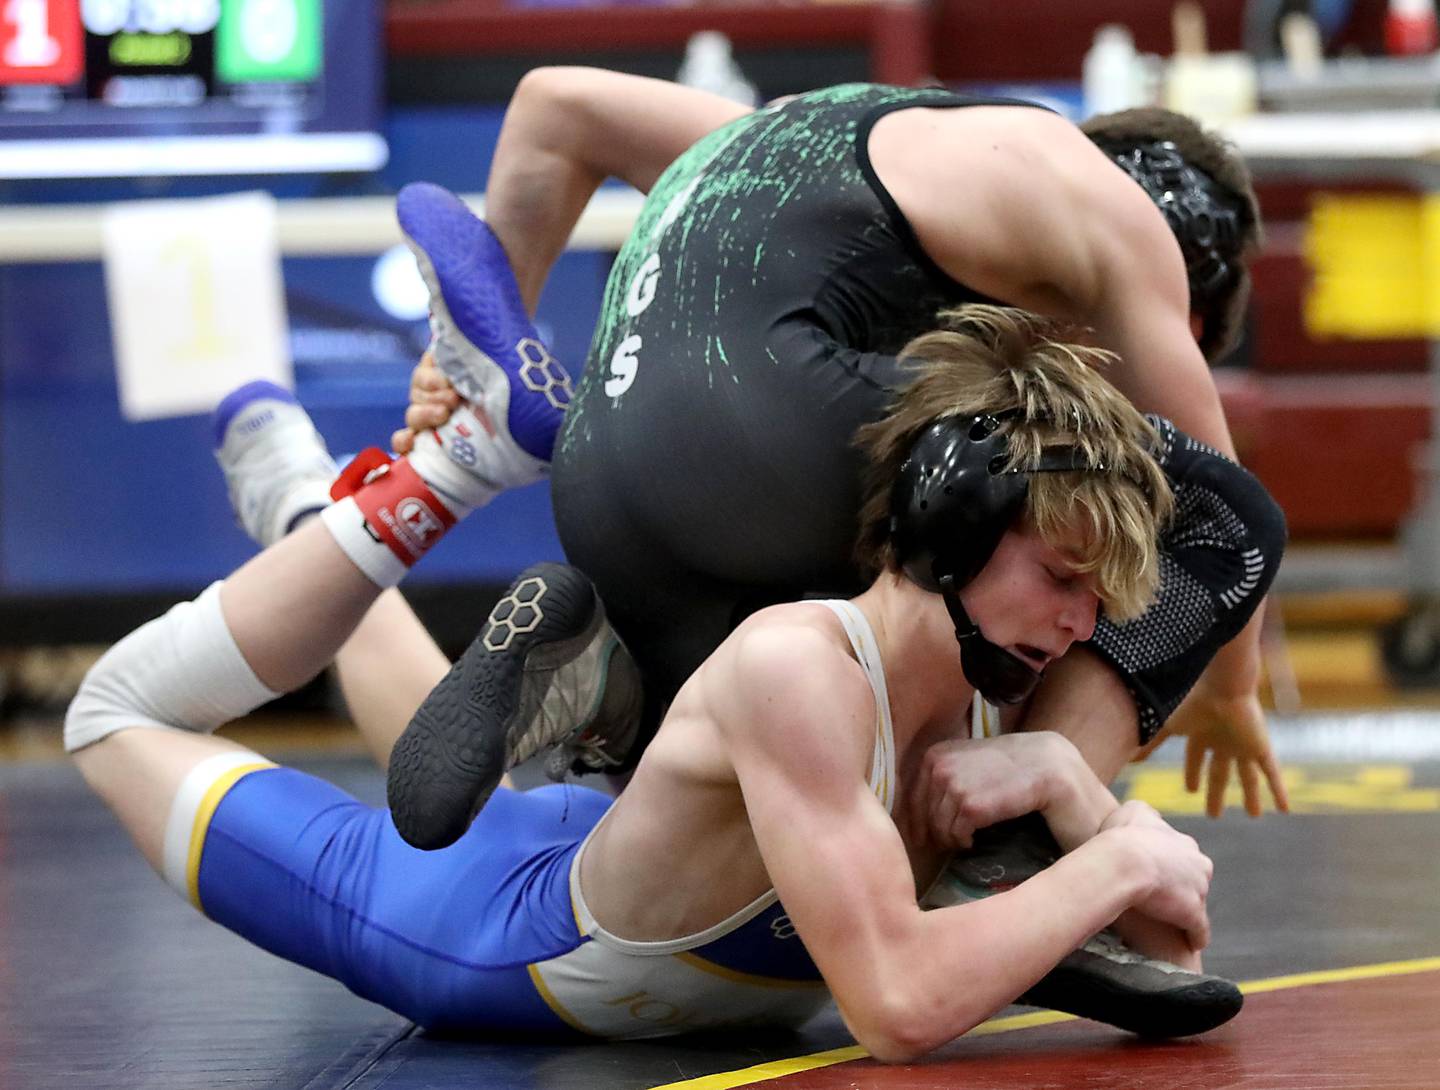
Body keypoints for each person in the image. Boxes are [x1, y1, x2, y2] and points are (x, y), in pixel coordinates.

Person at [66, 305, 1231, 1058]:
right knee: (112, 714)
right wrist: (1122, 843)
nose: (1084, 622)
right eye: (1064, 574)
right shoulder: (803, 671)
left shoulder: (1002, 690)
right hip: (488, 932)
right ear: (948, 526)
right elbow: (897, 1006)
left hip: (587, 827)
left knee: (452, 756)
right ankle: (430, 481)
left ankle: (300, 497)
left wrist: (1069, 787)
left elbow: (1174, 974)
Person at [392, 68, 1287, 821]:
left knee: (730, 793)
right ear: (1191, 303)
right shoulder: (1118, 225)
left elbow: (554, 107)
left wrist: (449, 368)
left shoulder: (868, 141)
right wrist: (1228, 692)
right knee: (1153, 517)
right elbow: (1217, 505)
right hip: (765, 435)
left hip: (598, 482)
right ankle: (1023, 835)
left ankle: (604, 687)